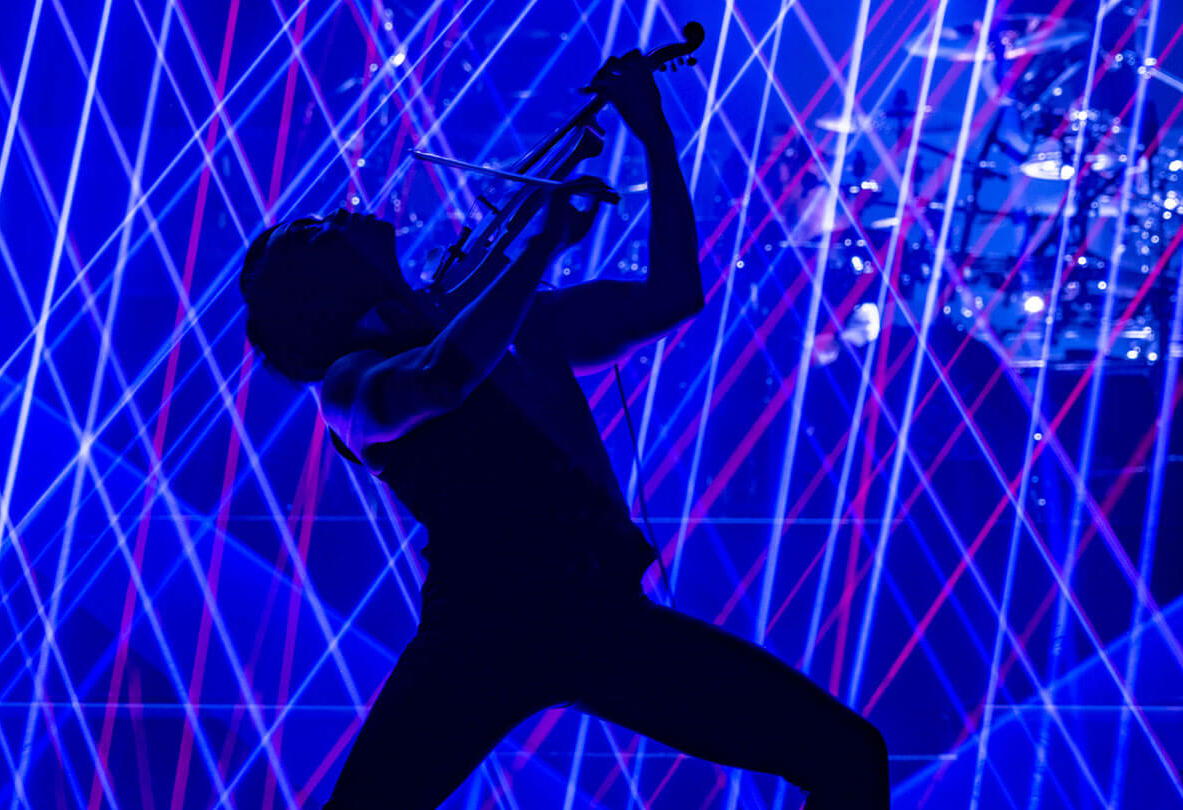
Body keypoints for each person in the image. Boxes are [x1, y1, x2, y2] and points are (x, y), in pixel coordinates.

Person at [238, 50, 890, 809]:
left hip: (598, 612)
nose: (341, 214)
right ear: (320, 291)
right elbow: (443, 376)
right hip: (485, 625)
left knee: (849, 754)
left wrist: (654, 135)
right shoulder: (349, 382)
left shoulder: (512, 319)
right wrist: (538, 244)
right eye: (318, 234)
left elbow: (673, 294)